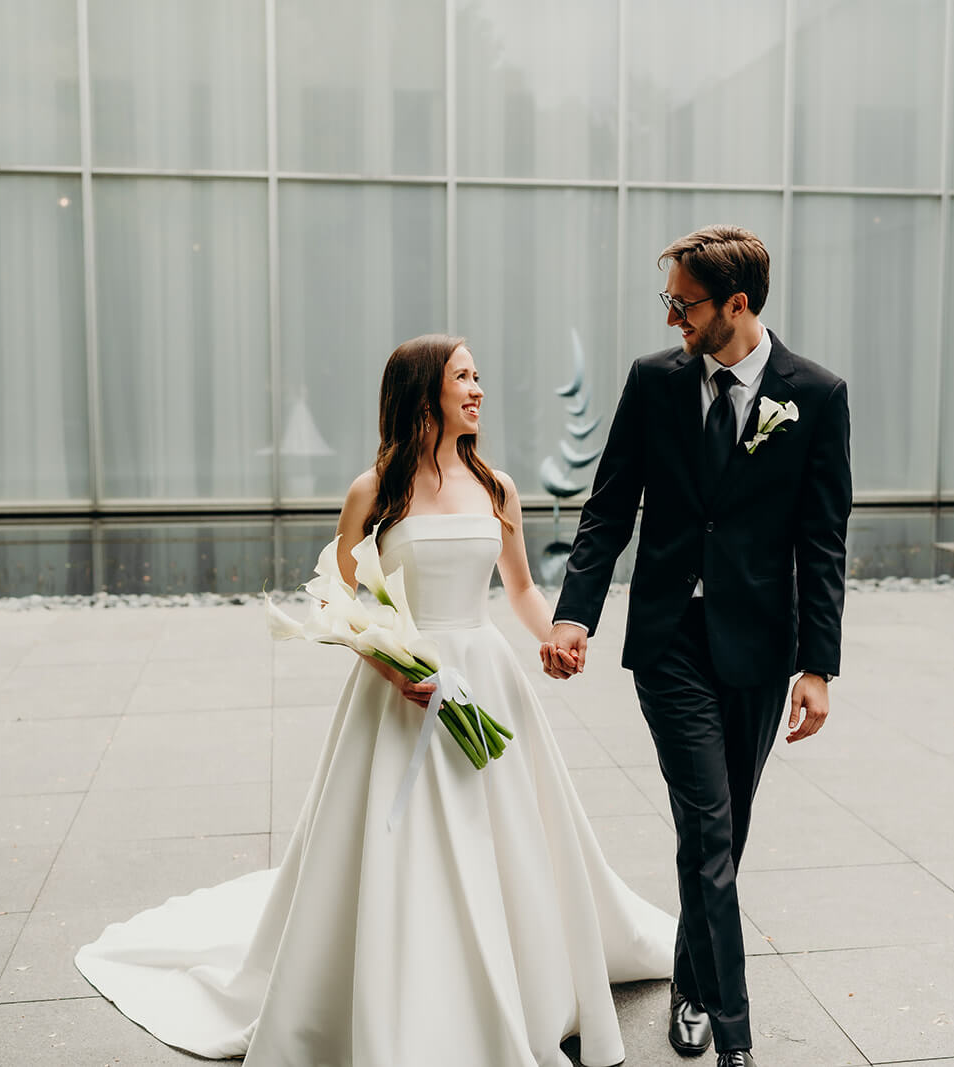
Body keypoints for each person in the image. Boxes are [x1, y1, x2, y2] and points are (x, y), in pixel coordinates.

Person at [75, 334, 674, 1066]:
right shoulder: (374, 489)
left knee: (510, 837)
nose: (479, 388)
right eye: (463, 376)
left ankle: (522, 982)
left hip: (485, 676)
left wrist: (556, 635)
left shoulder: (498, 486)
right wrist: (395, 669)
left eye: (479, 374)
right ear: (424, 391)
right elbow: (339, 594)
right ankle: (411, 992)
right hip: (403, 689)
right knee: (401, 846)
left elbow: (517, 587)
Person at [543, 226, 852, 1067]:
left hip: (759, 644)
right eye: (669, 300)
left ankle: (688, 981)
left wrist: (816, 665)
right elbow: (608, 508)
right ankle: (737, 1040)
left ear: (738, 305)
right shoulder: (654, 383)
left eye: (684, 302)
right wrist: (575, 614)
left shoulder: (815, 395)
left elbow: (823, 541)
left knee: (721, 833)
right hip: (670, 640)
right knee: (710, 826)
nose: (672, 315)